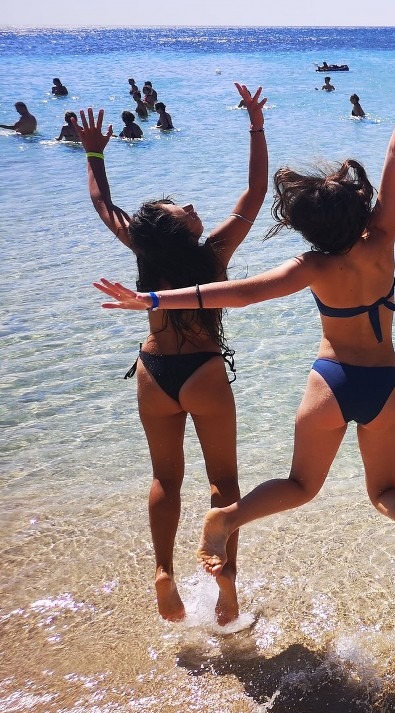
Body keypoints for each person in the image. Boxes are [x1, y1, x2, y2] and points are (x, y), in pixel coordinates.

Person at [96, 29, 395, 587]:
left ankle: (227, 518)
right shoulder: (382, 238)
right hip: (383, 381)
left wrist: (153, 298)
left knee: (300, 486)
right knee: (385, 489)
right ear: (359, 207)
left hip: (331, 381)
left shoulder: (310, 266)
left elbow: (240, 293)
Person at [77, 83, 269, 624]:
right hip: (202, 369)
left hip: (154, 369)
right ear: (178, 229)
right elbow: (256, 192)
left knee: (166, 479)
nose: (189, 206)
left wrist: (95, 155)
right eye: (180, 208)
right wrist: (256, 125)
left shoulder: (146, 251)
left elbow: (103, 206)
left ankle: (163, 571)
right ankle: (225, 578)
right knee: (223, 481)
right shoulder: (213, 255)